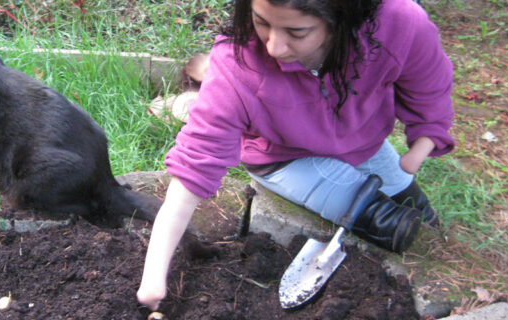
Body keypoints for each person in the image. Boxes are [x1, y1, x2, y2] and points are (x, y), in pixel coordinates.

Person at [137, 0, 454, 311]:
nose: (274, 47)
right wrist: (153, 276)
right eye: (261, 22)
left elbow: (429, 82)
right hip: (284, 158)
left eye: (296, 31)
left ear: (340, 17)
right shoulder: (239, 64)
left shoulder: (398, 22)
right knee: (391, 225)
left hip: (363, 143)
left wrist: (426, 137)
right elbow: (195, 164)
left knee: (419, 214)